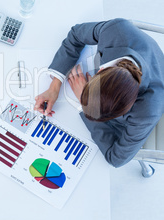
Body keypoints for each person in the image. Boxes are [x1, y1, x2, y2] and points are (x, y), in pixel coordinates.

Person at [34, 18, 164, 168]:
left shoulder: (148, 112)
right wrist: (54, 86)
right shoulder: (115, 30)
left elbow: (116, 158)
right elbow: (76, 34)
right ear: (100, 70)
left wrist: (84, 104)